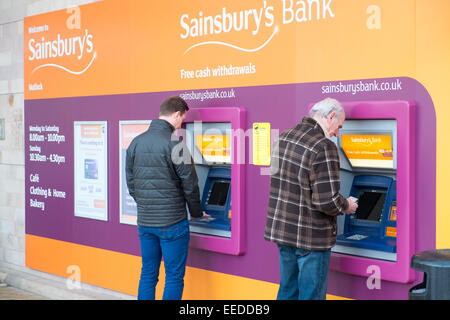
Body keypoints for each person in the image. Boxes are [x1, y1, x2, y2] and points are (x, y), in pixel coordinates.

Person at [264, 97, 358, 300]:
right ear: (331, 116)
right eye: (339, 126)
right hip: (311, 237)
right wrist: (347, 205)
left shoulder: (284, 137)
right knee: (311, 296)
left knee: (288, 291)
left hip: (284, 233)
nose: (337, 133)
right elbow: (327, 201)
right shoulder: (324, 146)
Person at [126, 96, 208, 300]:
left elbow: (131, 183)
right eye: (182, 119)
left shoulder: (136, 142)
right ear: (176, 114)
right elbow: (190, 184)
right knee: (173, 277)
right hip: (172, 223)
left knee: (148, 274)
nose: (181, 125)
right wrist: (197, 212)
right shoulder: (175, 145)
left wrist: (147, 205)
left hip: (145, 222)